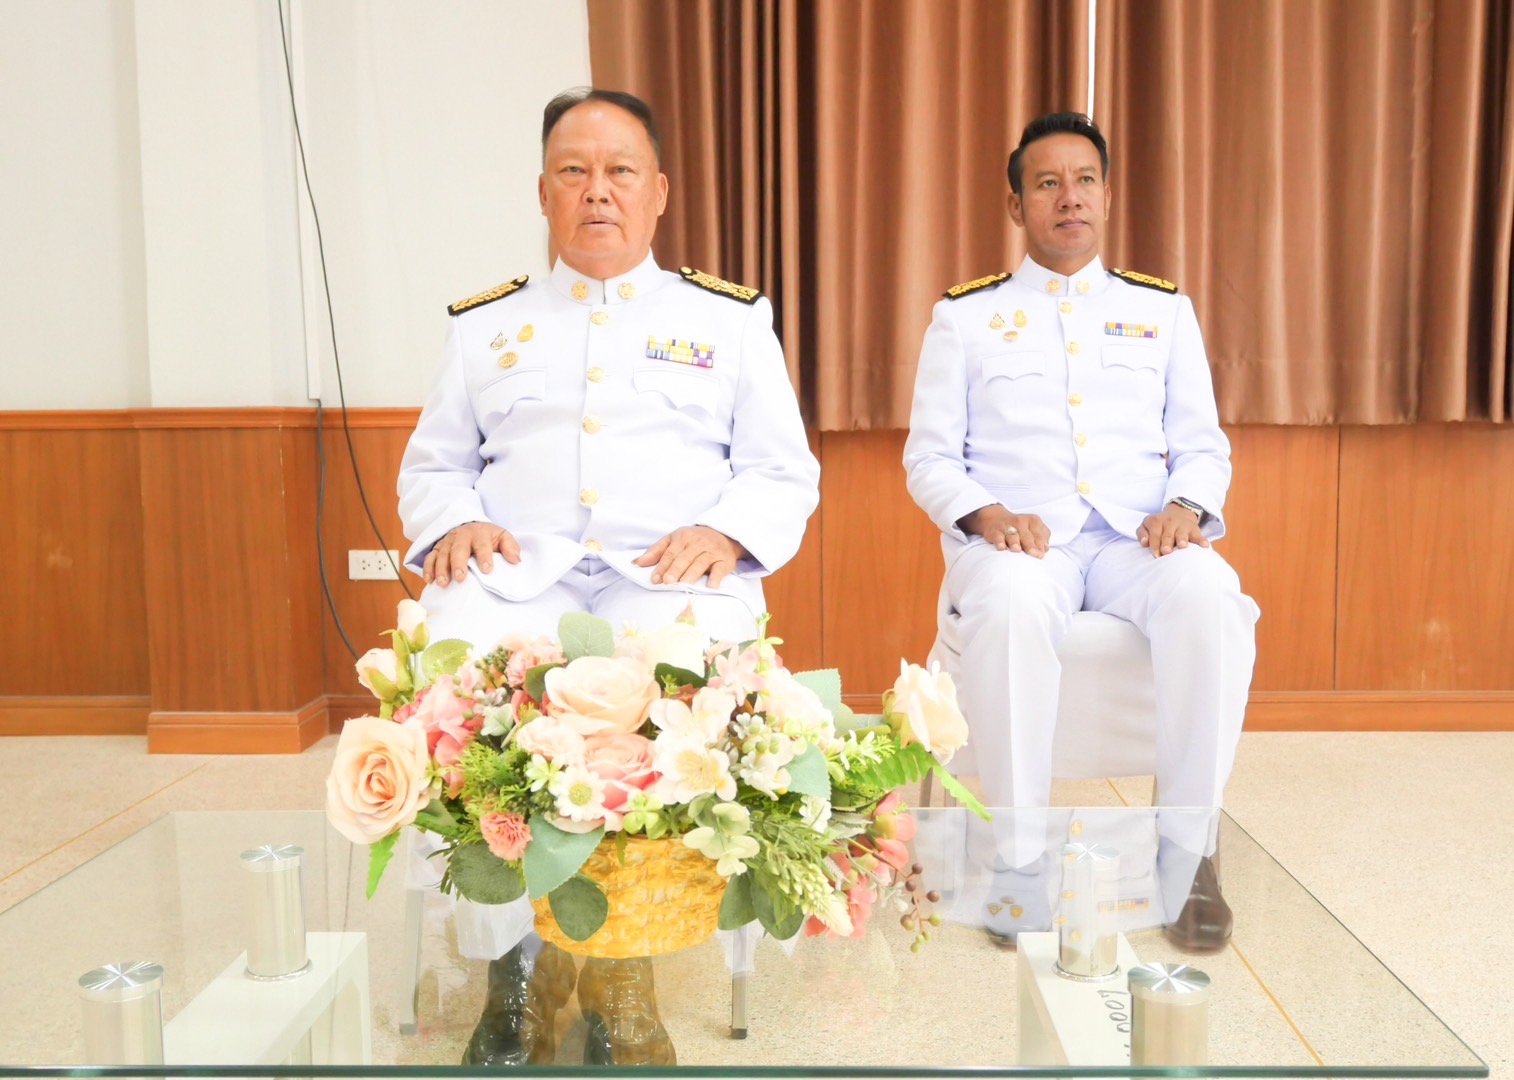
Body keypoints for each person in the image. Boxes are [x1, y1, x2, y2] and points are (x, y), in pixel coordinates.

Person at [396, 87, 819, 1064]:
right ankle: (513, 968)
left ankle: (627, 963)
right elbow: (433, 467)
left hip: (667, 572)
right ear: (543, 191)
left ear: (658, 191)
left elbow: (781, 470)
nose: (598, 190)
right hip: (520, 572)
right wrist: (456, 522)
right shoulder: (484, 326)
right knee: (463, 664)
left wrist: (727, 529)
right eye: (574, 171)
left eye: (620, 170)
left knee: (698, 668)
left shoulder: (728, 320)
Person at [903, 112, 1259, 952]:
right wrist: (987, 514)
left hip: (1138, 543)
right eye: (1048, 183)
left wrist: (1187, 507)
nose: (1070, 197)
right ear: (1017, 204)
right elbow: (928, 458)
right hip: (1021, 546)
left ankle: (1189, 853)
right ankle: (1019, 858)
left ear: (1106, 194)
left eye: (1085, 180)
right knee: (1012, 606)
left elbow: (1203, 446)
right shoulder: (966, 318)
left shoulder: (1161, 310)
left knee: (1213, 594)